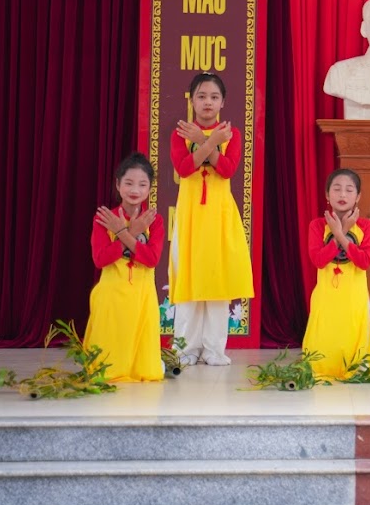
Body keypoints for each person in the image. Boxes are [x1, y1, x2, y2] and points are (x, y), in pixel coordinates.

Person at [170, 72, 253, 366]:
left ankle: (214, 350)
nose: (208, 102)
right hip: (190, 216)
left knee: (218, 281)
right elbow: (184, 168)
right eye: (202, 96)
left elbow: (227, 169)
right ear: (192, 101)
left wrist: (206, 142)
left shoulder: (232, 134)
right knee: (189, 279)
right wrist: (208, 142)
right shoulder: (181, 133)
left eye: (214, 97)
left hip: (219, 216)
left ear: (223, 102)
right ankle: (185, 349)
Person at [83, 153, 164, 383]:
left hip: (142, 296)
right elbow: (101, 259)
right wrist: (130, 233)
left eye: (142, 184)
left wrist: (124, 233)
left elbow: (151, 259)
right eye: (128, 183)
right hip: (111, 295)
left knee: (146, 372)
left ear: (149, 188)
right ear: (118, 184)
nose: (135, 190)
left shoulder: (154, 221)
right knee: (106, 370)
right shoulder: (104, 219)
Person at [302, 169, 370, 380]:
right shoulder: (317, 226)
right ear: (327, 195)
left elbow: (364, 262)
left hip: (354, 295)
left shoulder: (366, 226)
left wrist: (340, 234)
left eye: (349, 190)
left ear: (358, 196)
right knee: (324, 334)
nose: (342, 194)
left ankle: (354, 369)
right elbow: (319, 260)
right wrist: (339, 233)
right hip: (326, 295)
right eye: (337, 189)